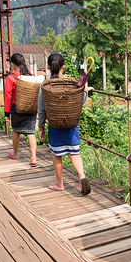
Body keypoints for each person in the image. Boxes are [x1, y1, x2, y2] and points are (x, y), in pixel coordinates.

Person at [37, 53, 91, 195]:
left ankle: (60, 184)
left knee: (57, 155)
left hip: (55, 126)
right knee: (74, 154)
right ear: (64, 67)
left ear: (48, 67)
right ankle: (82, 176)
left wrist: (41, 127)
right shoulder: (71, 83)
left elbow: (41, 109)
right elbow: (81, 100)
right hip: (72, 127)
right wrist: (85, 91)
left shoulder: (46, 86)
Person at [4, 53, 38, 167]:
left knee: (16, 131)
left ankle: (15, 153)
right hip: (30, 107)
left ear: (12, 64)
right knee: (31, 132)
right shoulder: (30, 76)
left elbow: (8, 96)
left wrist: (6, 113)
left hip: (17, 107)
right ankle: (33, 157)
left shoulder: (11, 78)